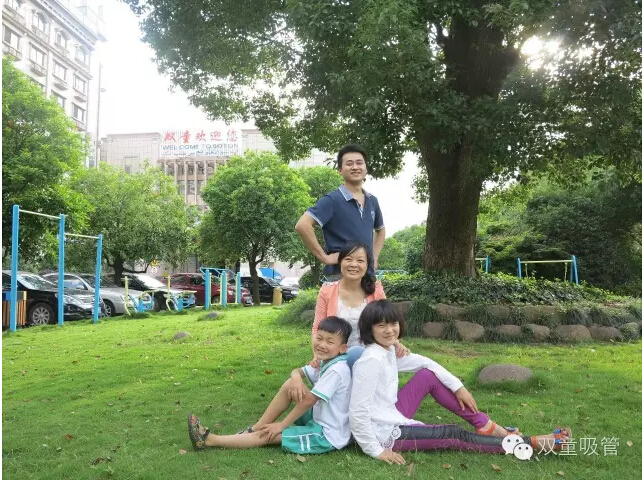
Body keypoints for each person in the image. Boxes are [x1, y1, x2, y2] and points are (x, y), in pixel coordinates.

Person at [350, 300, 572, 465]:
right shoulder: (370, 361)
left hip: (390, 413)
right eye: (381, 326)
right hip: (383, 432)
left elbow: (426, 364)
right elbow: (358, 413)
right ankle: (530, 443)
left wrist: (459, 387)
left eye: (393, 324)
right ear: (369, 330)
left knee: (427, 376)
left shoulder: (387, 350)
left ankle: (486, 425)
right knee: (452, 434)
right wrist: (376, 450)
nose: (389, 330)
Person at [188, 316, 353, 455]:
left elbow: (309, 400)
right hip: (318, 417)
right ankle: (256, 427)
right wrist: (296, 379)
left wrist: (281, 425)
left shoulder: (337, 370)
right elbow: (296, 372)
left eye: (330, 342)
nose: (322, 345)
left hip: (326, 435)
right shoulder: (326, 362)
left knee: (269, 435)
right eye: (319, 338)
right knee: (290, 384)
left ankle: (210, 440)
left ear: (342, 348)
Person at [311, 241, 408, 369]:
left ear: (367, 265)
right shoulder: (326, 290)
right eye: (348, 259)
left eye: (360, 260)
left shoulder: (375, 290)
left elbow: (387, 321)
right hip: (336, 359)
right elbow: (317, 328)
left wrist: (395, 342)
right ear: (340, 262)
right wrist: (317, 355)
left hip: (372, 357)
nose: (354, 264)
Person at [295, 144, 385, 281]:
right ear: (340, 170)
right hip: (340, 276)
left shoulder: (373, 201)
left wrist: (374, 257)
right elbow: (302, 225)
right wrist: (324, 257)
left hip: (367, 275)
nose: (355, 167)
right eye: (349, 164)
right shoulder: (332, 200)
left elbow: (381, 230)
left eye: (359, 163)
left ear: (366, 168)